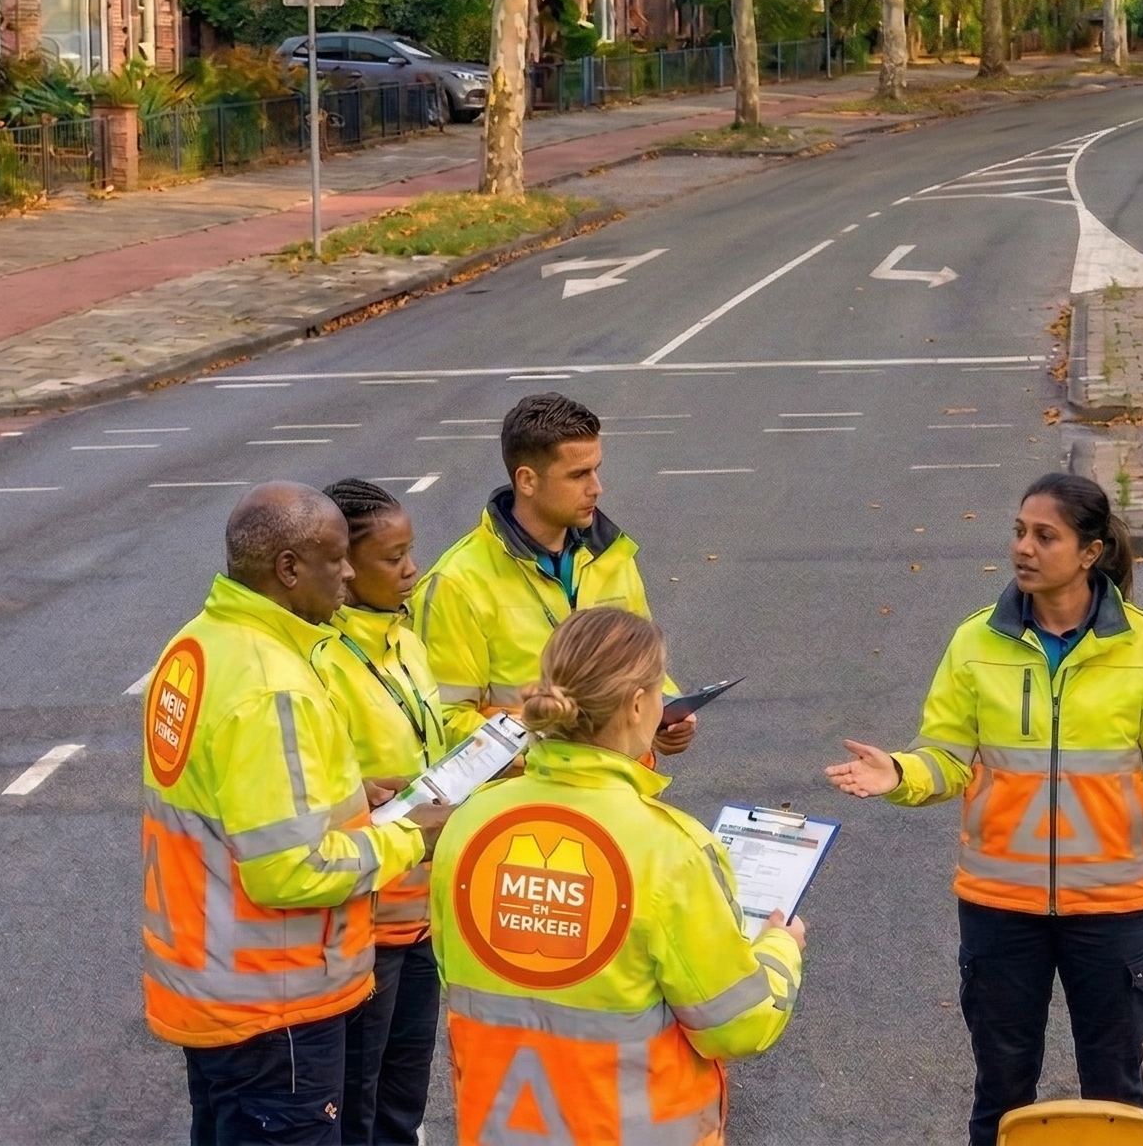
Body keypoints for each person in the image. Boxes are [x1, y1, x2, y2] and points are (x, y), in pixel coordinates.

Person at [826, 472, 1143, 1146]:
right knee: (1001, 1093)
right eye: (1019, 532)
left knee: (1115, 1095)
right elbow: (945, 758)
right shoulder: (976, 642)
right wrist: (899, 772)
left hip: (1113, 907)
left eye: (1044, 536)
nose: (1023, 548)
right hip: (1000, 906)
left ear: (1089, 552)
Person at [142, 482, 452, 1146]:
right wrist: (408, 836)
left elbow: (232, 799)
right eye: (335, 559)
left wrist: (353, 793)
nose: (347, 575)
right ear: (288, 567)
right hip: (276, 1004)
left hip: (215, 987)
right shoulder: (272, 685)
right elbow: (291, 869)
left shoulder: (199, 646)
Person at [431, 607, 804, 1146]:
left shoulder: (471, 822)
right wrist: (780, 949)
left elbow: (457, 973)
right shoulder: (670, 848)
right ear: (635, 706)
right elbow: (736, 1025)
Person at [311, 479, 481, 1144]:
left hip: (424, 910)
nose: (413, 570)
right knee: (357, 1101)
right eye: (393, 558)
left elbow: (431, 734)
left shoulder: (405, 640)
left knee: (404, 1099)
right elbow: (319, 784)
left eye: (411, 552)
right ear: (345, 567)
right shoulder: (323, 660)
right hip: (368, 919)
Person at [417, 392, 692, 756]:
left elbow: (643, 665)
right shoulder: (457, 582)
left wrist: (665, 711)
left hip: (620, 782)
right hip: (530, 788)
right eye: (578, 475)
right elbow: (443, 722)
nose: (596, 488)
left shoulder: (612, 556)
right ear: (527, 481)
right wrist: (552, 740)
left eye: (596, 470)